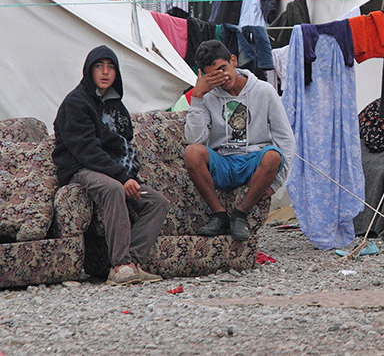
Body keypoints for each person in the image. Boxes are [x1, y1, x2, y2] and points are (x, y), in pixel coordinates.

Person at [53, 46, 169, 285]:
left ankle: (131, 264)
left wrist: (129, 176)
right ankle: (118, 265)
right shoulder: (76, 102)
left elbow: (124, 144)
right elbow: (86, 150)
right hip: (80, 168)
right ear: (89, 70)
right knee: (113, 188)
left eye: (111, 67)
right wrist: (121, 177)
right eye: (99, 66)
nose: (105, 72)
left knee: (157, 202)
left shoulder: (115, 106)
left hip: (111, 170)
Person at [183, 40, 295, 241]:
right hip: (223, 162)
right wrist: (198, 97)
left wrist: (277, 183)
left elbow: (285, 137)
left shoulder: (264, 90)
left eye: (223, 69)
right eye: (213, 74)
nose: (222, 77)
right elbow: (194, 140)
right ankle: (219, 214)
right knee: (191, 152)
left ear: (233, 61)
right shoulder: (207, 97)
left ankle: (240, 214)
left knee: (272, 155)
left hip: (253, 160)